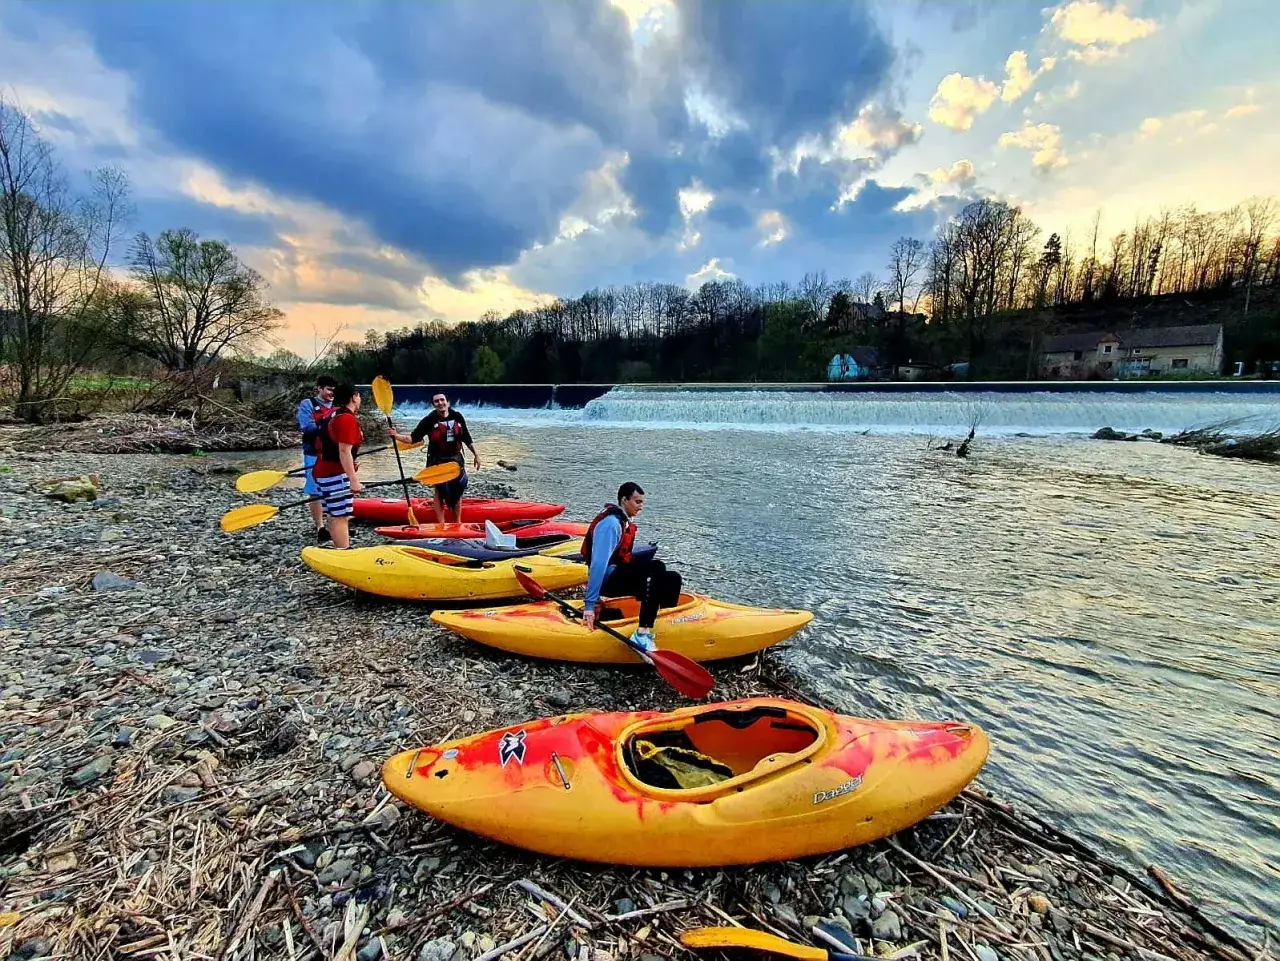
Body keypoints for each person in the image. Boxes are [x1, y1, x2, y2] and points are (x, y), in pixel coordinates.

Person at [581, 482, 681, 651]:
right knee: (656, 567)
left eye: (642, 502)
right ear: (624, 500)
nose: (640, 507)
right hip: (608, 581)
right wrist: (590, 605)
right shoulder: (611, 524)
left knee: (672, 578)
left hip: (618, 575)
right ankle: (641, 634)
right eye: (637, 502)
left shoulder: (622, 521)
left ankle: (661, 625)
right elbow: (598, 565)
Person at [393, 390, 481, 523]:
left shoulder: (457, 416)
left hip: (456, 459)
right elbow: (412, 438)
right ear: (434, 404)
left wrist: (476, 455)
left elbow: (466, 438)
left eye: (442, 400)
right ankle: (441, 524)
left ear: (447, 402)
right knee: (440, 491)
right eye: (436, 401)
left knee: (457, 491)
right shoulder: (429, 420)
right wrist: (396, 435)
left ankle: (457, 522)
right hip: (437, 459)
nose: (440, 403)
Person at [311, 383, 364, 549]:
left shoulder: (331, 414)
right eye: (359, 396)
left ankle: (339, 547)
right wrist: (353, 479)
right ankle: (344, 552)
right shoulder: (346, 419)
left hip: (323, 470)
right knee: (341, 516)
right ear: (354, 397)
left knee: (335, 514)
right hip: (334, 473)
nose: (359, 399)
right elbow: (344, 451)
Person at [297, 375, 337, 542]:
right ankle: (320, 526)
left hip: (334, 455)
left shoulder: (338, 406)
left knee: (335, 489)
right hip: (313, 453)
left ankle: (335, 525)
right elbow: (307, 427)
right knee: (315, 490)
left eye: (334, 390)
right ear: (319, 389)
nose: (331, 393)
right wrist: (329, 425)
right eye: (328, 389)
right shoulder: (308, 405)